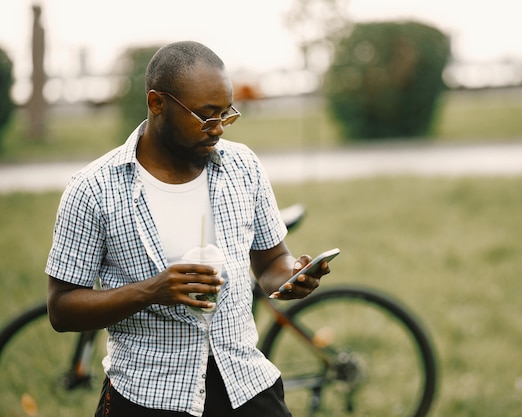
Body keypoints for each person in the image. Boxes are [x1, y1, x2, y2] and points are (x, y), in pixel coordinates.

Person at [46, 40, 330, 417]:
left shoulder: (242, 167)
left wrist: (291, 277)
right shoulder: (94, 189)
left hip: (244, 385)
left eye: (226, 114)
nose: (218, 130)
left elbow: (271, 261)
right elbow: (62, 308)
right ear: (156, 103)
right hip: (148, 395)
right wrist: (152, 291)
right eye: (205, 116)